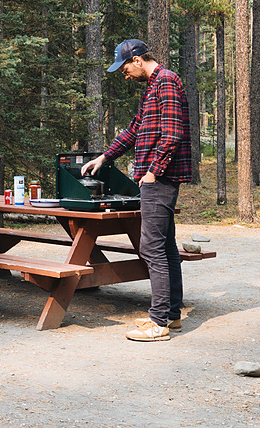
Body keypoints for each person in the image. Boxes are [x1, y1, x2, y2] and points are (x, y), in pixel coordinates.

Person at [81, 39, 191, 342]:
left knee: (151, 248)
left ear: (139, 60)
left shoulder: (166, 81)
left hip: (160, 179)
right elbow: (133, 130)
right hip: (156, 178)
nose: (124, 73)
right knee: (166, 248)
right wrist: (104, 157)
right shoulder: (153, 88)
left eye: (125, 67)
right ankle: (171, 315)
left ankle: (158, 324)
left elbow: (172, 134)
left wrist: (154, 171)